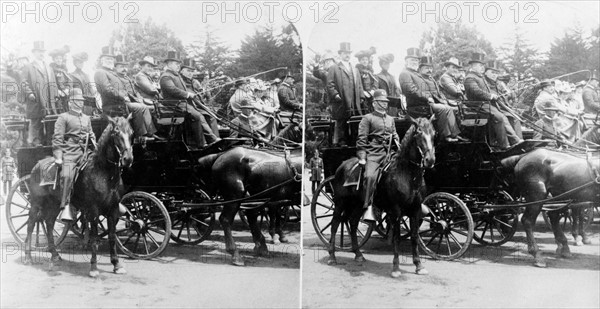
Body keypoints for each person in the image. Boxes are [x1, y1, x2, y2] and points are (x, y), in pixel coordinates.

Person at [159, 51, 220, 148]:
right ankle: (203, 143)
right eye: (176, 63)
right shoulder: (166, 76)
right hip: (174, 104)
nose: (178, 66)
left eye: (179, 64)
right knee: (197, 115)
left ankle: (211, 139)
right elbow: (172, 89)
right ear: (169, 64)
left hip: (181, 103)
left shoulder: (176, 75)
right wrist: (187, 94)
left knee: (203, 114)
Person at [400, 50, 464, 142]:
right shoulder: (405, 73)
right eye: (412, 60)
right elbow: (410, 90)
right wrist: (427, 97)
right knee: (443, 108)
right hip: (417, 106)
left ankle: (454, 134)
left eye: (416, 60)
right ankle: (445, 136)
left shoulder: (418, 75)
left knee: (448, 108)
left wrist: (442, 100)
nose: (415, 62)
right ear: (406, 61)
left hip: (425, 103)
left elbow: (432, 91)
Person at [53, 88, 96, 222]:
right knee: (67, 175)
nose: (81, 103)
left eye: (82, 101)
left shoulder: (86, 118)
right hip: (70, 151)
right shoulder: (63, 117)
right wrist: (58, 157)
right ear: (70, 102)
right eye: (77, 101)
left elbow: (92, 134)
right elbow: (57, 139)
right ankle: (65, 206)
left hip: (86, 152)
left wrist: (96, 147)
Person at [464, 52, 523, 150]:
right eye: (480, 65)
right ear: (472, 66)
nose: (482, 68)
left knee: (504, 116)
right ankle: (504, 145)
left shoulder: (480, 77)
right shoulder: (470, 78)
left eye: (483, 65)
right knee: (499, 116)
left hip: (485, 104)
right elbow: (476, 92)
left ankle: (515, 140)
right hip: (477, 105)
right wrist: (490, 96)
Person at [356, 89, 400, 222]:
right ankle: (368, 206)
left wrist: (399, 146)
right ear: (374, 103)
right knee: (370, 176)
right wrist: (362, 156)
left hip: (390, 153)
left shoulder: (390, 119)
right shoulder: (367, 118)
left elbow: (395, 135)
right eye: (381, 102)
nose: (384, 104)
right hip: (374, 152)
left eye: (385, 102)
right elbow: (361, 139)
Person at [20, 41, 59, 146]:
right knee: (36, 123)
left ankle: (50, 145)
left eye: (43, 52)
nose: (41, 54)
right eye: (39, 52)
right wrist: (30, 94)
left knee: (51, 122)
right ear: (34, 53)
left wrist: (55, 96)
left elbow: (54, 83)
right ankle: (37, 146)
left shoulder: (48, 67)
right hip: (36, 100)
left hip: (49, 102)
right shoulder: (28, 67)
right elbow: (23, 82)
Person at [327, 42, 365, 146]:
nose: (347, 55)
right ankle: (342, 141)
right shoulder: (334, 68)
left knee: (355, 120)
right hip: (341, 100)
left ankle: (354, 141)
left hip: (354, 100)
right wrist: (335, 95)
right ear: (340, 54)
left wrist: (361, 96)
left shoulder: (355, 69)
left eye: (349, 53)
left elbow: (360, 85)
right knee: (342, 121)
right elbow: (330, 84)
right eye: (345, 53)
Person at [179, 58, 220, 140]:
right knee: (204, 116)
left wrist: (202, 92)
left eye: (192, 71)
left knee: (212, 116)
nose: (190, 73)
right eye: (188, 71)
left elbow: (201, 94)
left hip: (198, 105)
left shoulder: (194, 81)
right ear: (181, 71)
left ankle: (216, 139)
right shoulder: (180, 81)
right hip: (188, 105)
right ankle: (210, 140)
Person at [484, 60, 523, 140]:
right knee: (509, 116)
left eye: (496, 73)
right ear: (486, 72)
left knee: (515, 117)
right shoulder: (484, 83)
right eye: (492, 72)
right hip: (492, 107)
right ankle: (514, 140)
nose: (494, 75)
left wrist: (508, 92)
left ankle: (520, 140)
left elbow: (509, 95)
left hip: (501, 106)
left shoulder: (498, 83)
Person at [49, 45, 72, 113]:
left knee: (67, 110)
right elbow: (51, 82)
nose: (59, 60)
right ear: (53, 60)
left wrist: (67, 89)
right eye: (57, 58)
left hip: (65, 94)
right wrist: (58, 91)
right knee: (59, 111)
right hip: (56, 95)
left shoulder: (64, 69)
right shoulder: (51, 69)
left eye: (60, 58)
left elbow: (69, 80)